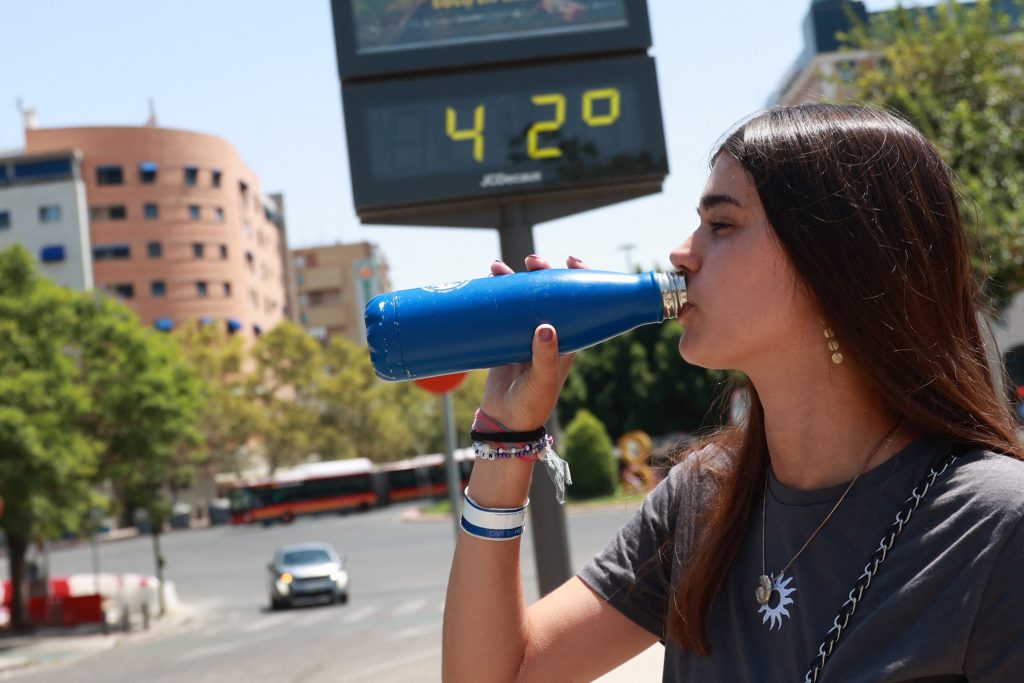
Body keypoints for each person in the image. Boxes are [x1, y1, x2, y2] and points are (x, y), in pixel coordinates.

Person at [441, 104, 1024, 682]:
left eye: (721, 225)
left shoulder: (996, 527)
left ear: (836, 265)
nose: (680, 253)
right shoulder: (701, 498)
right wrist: (505, 437)